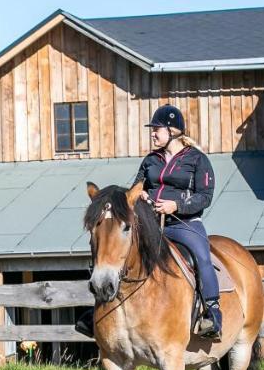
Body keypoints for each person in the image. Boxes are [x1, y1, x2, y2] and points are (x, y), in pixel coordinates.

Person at [75, 104, 220, 340]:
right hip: (151, 225)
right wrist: (139, 195)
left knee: (202, 256)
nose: (153, 133)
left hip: (184, 224)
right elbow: (136, 188)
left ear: (173, 131)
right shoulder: (150, 160)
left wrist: (177, 206)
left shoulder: (197, 160)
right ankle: (98, 313)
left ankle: (212, 313)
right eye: (152, 130)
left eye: (157, 129)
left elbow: (205, 196)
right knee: (116, 254)